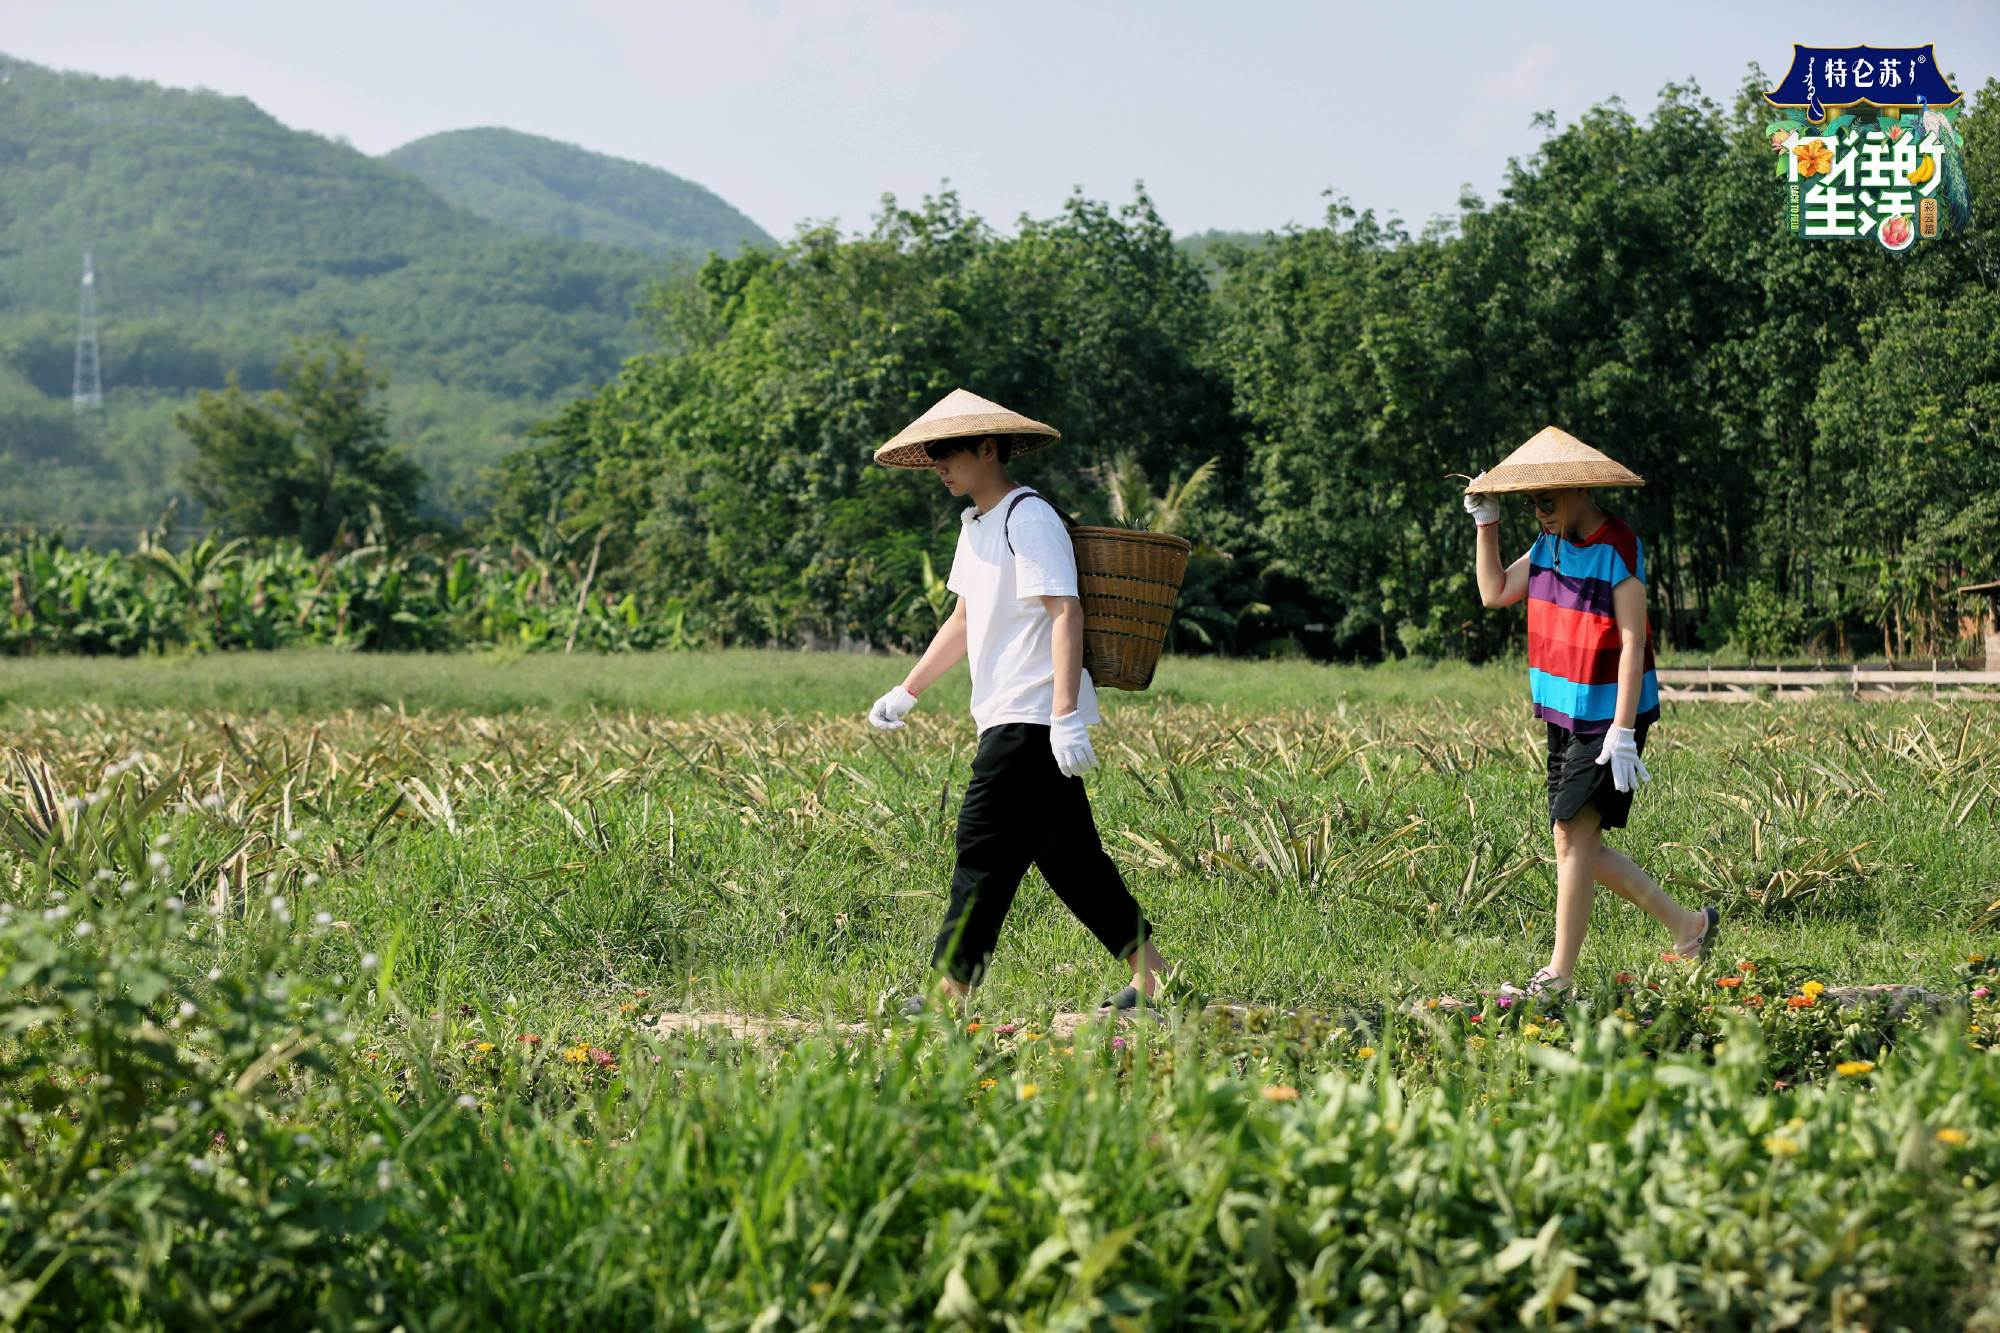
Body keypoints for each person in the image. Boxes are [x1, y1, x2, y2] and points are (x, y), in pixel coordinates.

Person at [867, 388, 1172, 1016]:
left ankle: (949, 994)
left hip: (1030, 718)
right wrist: (909, 688)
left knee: (981, 846)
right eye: (931, 457)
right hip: (1004, 714)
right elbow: (965, 617)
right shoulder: (975, 524)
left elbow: (1066, 610)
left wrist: (1064, 714)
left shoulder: (1027, 517)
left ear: (987, 448)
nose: (938, 467)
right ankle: (1155, 979)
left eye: (947, 454)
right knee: (1071, 859)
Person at [1462, 426, 1717, 1002]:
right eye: (1532, 503)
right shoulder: (1549, 545)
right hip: (1563, 711)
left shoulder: (1616, 546)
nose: (1541, 513)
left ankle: (1558, 975)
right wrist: (1487, 524)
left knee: (1572, 837)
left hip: (1608, 715)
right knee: (1575, 843)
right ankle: (1689, 927)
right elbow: (1495, 591)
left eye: (1547, 502)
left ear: (1579, 490)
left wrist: (1624, 730)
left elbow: (1633, 640)